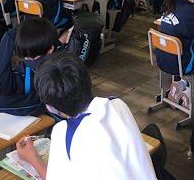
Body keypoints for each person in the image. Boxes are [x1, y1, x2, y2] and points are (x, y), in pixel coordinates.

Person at [15, 53, 157, 180]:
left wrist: (33, 158)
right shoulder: (117, 103)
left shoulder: (63, 133)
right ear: (88, 79)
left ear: (49, 107)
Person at [0, 18, 58, 115]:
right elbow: (4, 89)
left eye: (32, 58)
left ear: (50, 50)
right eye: (25, 57)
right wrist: (11, 36)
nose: (27, 61)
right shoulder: (27, 66)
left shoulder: (55, 71)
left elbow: (37, 104)